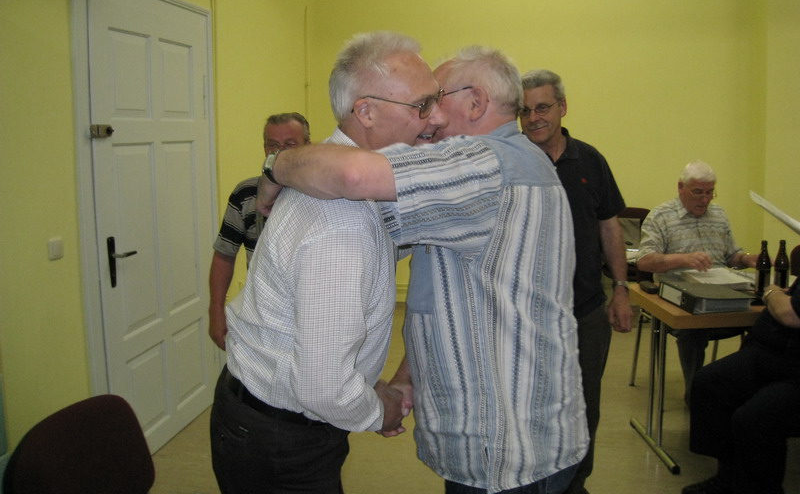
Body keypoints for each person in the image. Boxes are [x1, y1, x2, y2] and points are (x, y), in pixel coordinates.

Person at [264, 45, 588, 494]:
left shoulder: (481, 165)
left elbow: (353, 176)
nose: (430, 117)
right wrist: (407, 377)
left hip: (505, 449)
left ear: (476, 102)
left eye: (437, 98)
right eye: (423, 103)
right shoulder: (509, 164)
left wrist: (275, 164)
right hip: (516, 437)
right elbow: (454, 294)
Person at [209, 31, 444, 493]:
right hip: (282, 438)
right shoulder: (341, 224)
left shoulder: (333, 177)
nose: (436, 118)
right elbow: (323, 387)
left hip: (270, 419)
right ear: (366, 112)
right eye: (422, 105)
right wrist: (379, 410)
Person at [520, 68, 632, 494]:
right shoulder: (512, 163)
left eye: (542, 107)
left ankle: (574, 484)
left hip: (584, 310)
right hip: (527, 315)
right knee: (531, 405)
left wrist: (620, 289)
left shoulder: (591, 161)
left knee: (584, 405)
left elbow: (610, 227)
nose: (533, 118)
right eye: (525, 111)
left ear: (562, 108)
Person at [636, 160, 757, 403]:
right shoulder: (660, 216)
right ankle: (696, 393)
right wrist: (682, 259)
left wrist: (746, 258)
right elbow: (644, 261)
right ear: (681, 187)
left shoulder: (719, 214)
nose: (705, 199)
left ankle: (748, 390)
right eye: (698, 192)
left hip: (723, 291)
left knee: (763, 320)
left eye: (710, 192)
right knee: (693, 330)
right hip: (679, 295)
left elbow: (731, 256)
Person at [682, 278, 800, 494]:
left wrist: (772, 292)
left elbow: (790, 315)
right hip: (772, 351)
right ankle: (728, 477)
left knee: (755, 418)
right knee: (710, 383)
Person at [208, 112, 310, 350]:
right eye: (272, 145)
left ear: (308, 146)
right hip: (261, 318)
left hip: (311, 316)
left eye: (290, 144)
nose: (280, 152)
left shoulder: (323, 197)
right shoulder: (245, 195)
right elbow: (224, 255)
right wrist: (215, 311)